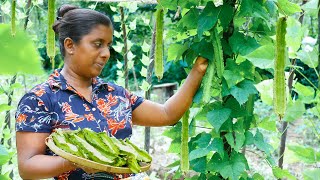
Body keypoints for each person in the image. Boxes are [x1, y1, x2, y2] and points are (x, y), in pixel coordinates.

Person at [15, 4, 208, 180]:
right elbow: (27, 166)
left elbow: (167, 114)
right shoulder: (40, 99)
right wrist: (77, 160)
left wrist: (197, 71)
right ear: (70, 45)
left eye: (108, 45)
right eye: (98, 44)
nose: (106, 53)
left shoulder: (115, 94)